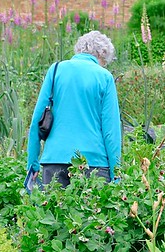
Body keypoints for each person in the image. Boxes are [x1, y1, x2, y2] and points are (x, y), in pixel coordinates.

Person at [26, 30, 122, 187]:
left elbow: (37, 120)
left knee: (53, 210)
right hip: (93, 163)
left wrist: (33, 164)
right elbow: (111, 131)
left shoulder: (55, 70)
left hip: (54, 160)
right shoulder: (104, 77)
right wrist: (116, 174)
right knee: (92, 210)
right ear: (102, 54)